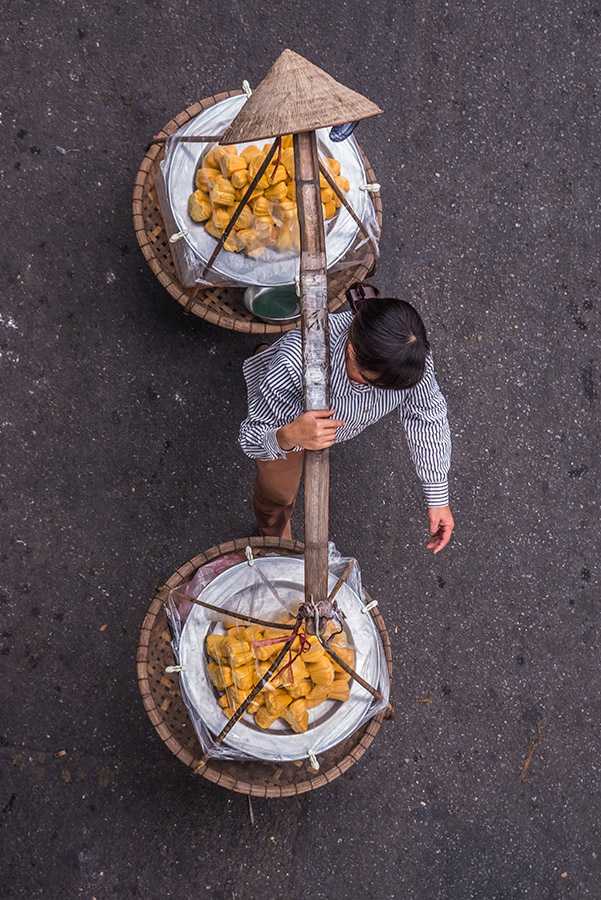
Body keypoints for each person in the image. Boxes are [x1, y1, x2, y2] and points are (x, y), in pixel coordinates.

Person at [239, 287, 454, 553]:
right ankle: (274, 541)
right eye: (377, 384)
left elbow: (427, 414)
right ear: (351, 351)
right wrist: (290, 435)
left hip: (311, 413)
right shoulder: (292, 364)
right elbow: (250, 440)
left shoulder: (407, 356)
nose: (389, 393)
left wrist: (438, 497)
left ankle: (264, 353)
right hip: (287, 426)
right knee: (278, 496)